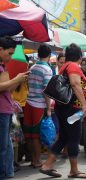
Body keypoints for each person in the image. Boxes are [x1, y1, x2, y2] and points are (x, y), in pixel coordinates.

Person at [40, 43, 86, 178]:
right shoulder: (73, 66)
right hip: (72, 108)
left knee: (64, 138)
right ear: (79, 57)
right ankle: (74, 170)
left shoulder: (64, 66)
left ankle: (47, 165)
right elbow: (74, 83)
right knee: (74, 137)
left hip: (63, 107)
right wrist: (84, 105)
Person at [0, 36, 29, 179]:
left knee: (6, 144)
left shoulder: (3, 66)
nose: (11, 57)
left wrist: (18, 80)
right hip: (2, 111)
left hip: (5, 110)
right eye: (9, 53)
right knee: (4, 146)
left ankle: (7, 172)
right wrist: (16, 80)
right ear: (1, 49)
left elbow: (7, 90)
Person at [23, 44, 53, 168]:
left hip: (28, 103)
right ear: (49, 55)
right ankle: (37, 161)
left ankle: (32, 160)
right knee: (36, 135)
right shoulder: (47, 70)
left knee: (29, 134)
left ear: (38, 54)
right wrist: (49, 108)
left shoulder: (33, 67)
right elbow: (47, 90)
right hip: (38, 105)